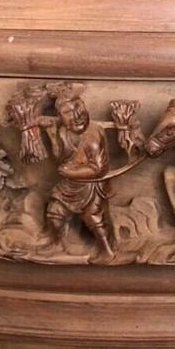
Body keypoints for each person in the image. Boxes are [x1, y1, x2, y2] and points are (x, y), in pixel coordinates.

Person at [39, 86, 116, 260]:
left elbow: (98, 169)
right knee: (54, 211)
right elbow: (61, 157)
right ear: (60, 117)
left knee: (93, 218)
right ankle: (56, 243)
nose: (76, 115)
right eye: (68, 112)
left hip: (91, 185)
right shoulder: (63, 131)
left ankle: (107, 250)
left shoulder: (93, 135)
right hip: (70, 184)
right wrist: (51, 134)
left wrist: (70, 172)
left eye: (79, 108)